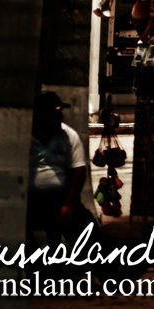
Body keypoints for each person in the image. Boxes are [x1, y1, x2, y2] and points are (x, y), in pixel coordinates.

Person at [28, 91, 91, 244]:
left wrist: (68, 204)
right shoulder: (25, 136)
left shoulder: (68, 136)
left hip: (59, 197)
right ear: (41, 114)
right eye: (55, 111)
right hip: (29, 198)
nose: (61, 116)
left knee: (89, 231)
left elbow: (78, 170)